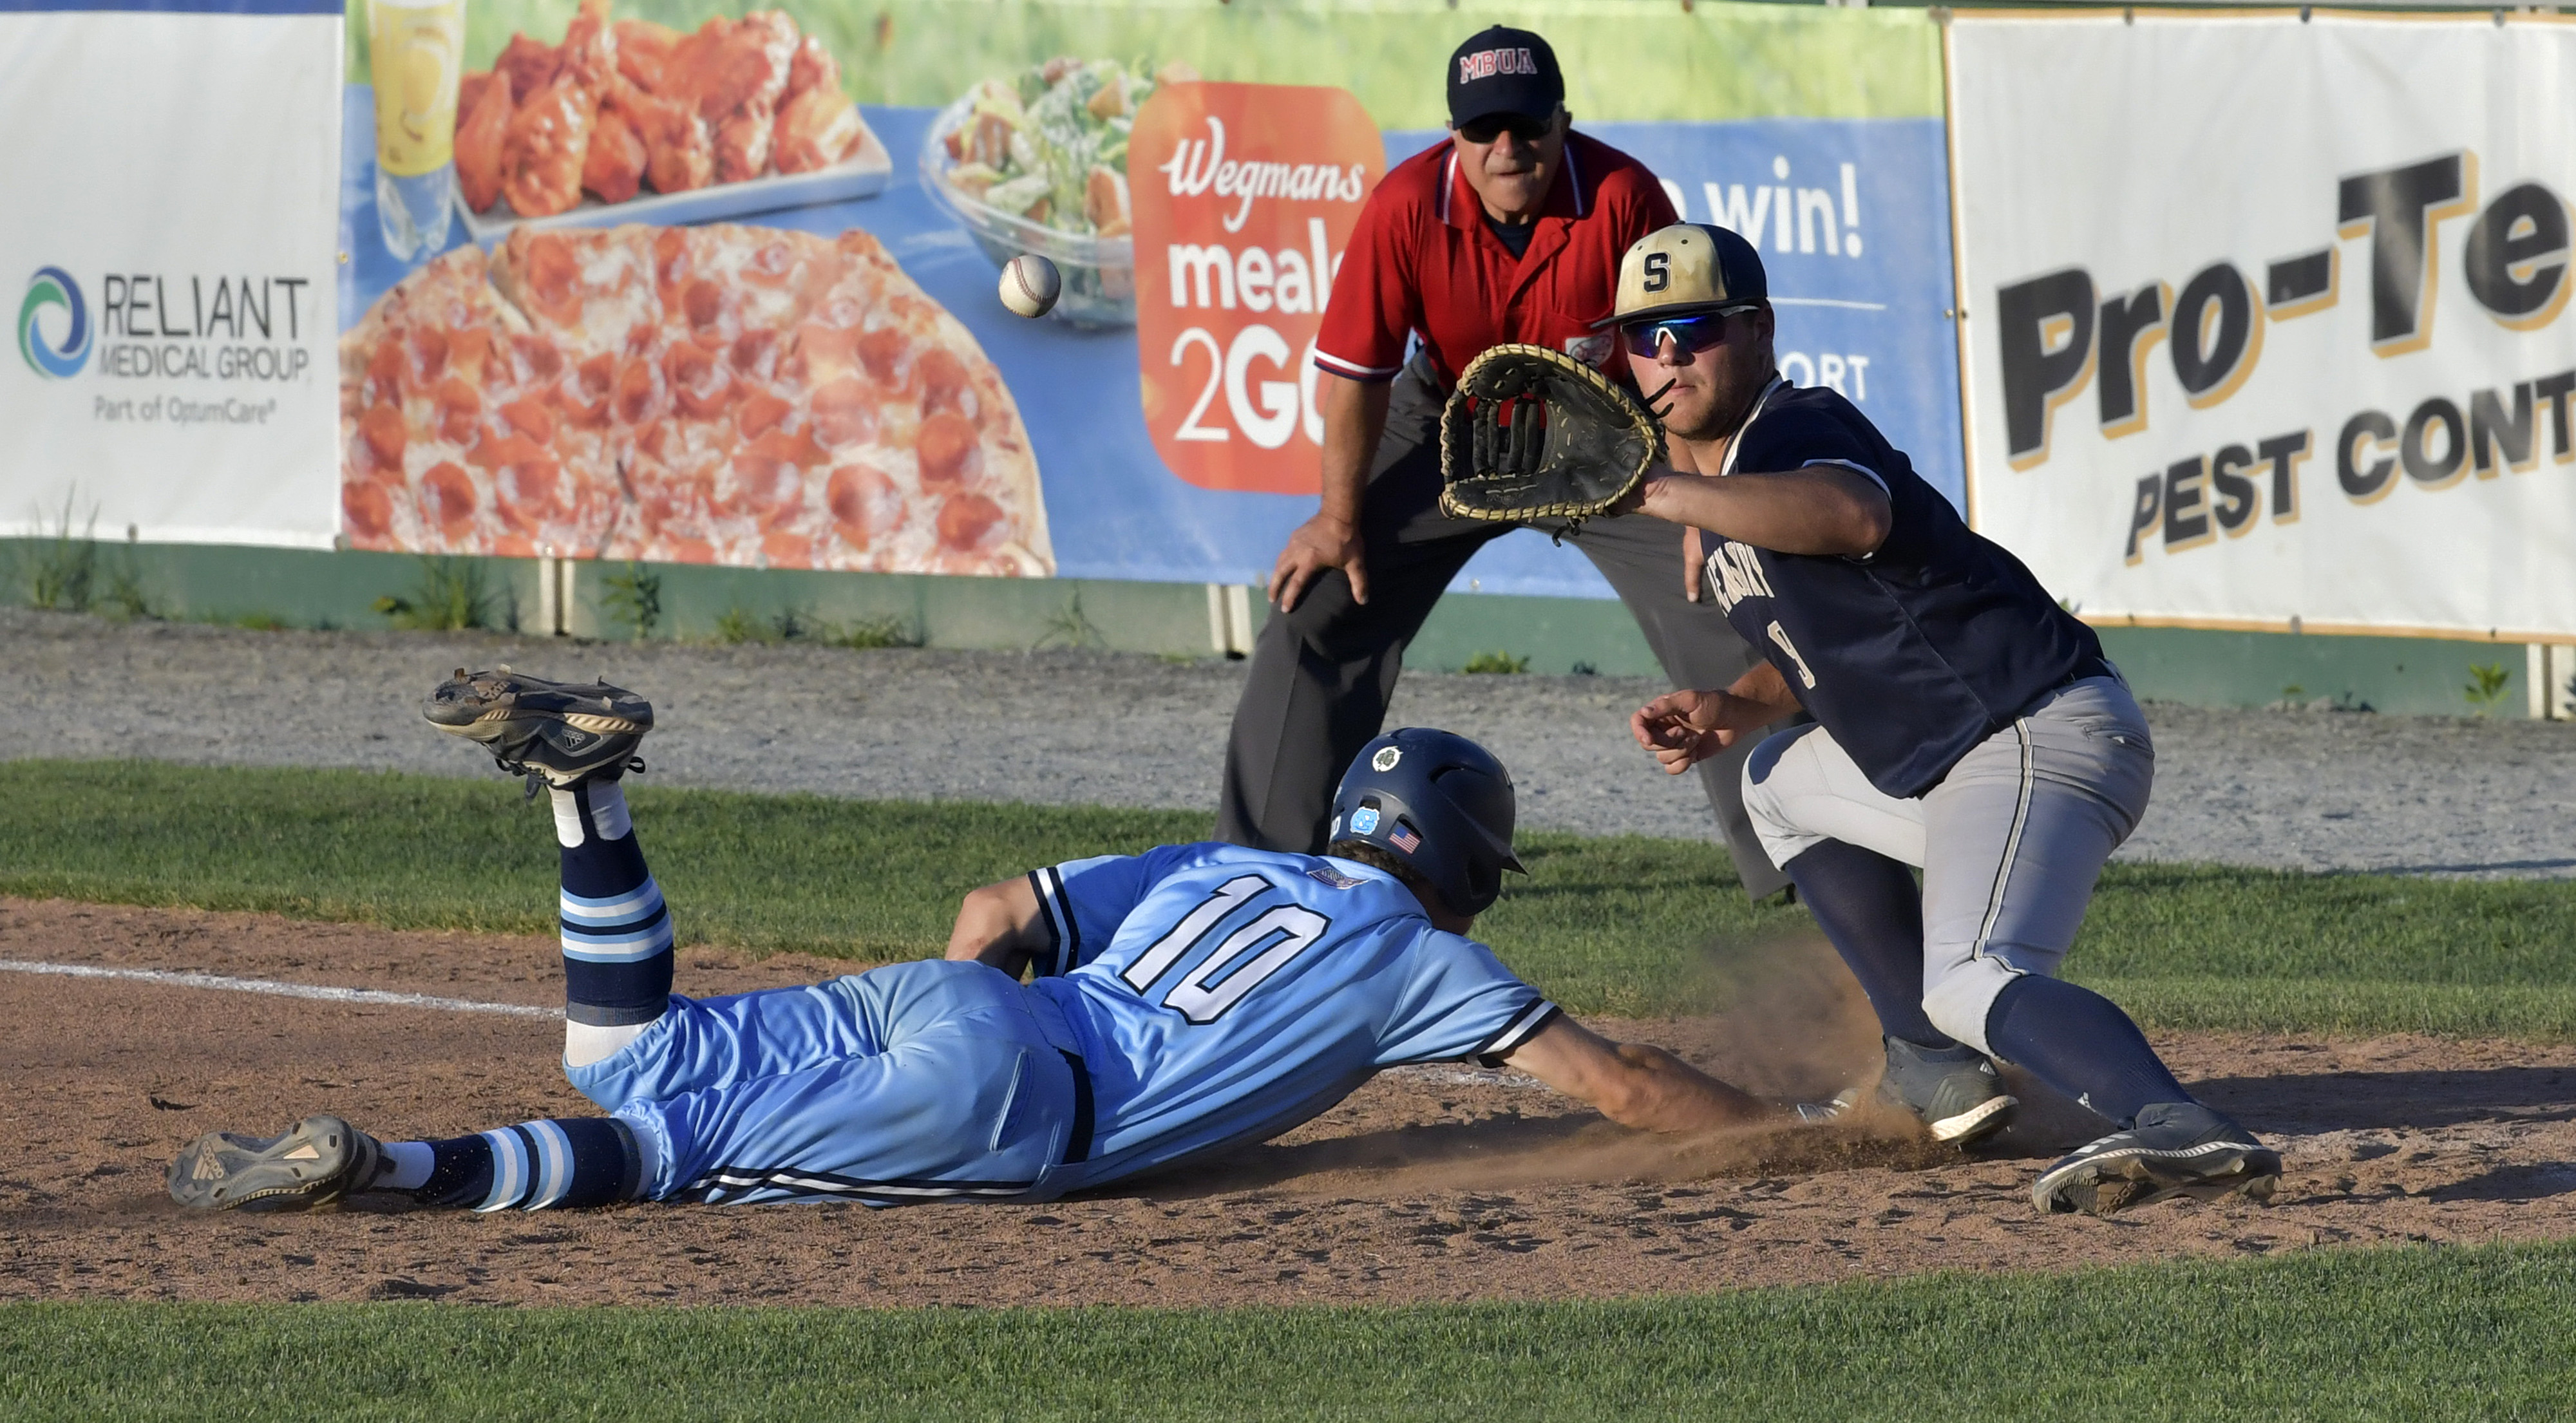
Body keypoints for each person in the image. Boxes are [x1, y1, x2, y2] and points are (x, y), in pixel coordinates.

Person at [167, 670, 1774, 1214]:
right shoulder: (1423, 959)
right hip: (1017, 1101)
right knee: (669, 1151)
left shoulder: (1229, 859)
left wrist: (965, 1024)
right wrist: (1798, 1136)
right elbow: (1621, 1084)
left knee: (617, 1053)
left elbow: (996, 915)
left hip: (952, 996)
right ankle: (383, 1169)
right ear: (1461, 865)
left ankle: (590, 809)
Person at [1607, 224, 2282, 1216]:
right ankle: (1932, 1066)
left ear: (1758, 331)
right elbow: (1830, 639)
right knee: (1777, 784)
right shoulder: (1717, 499)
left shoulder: (1795, 428)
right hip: (1966, 762)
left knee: (1968, 974)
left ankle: (2175, 1121)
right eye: (1644, 334)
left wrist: (1663, 491)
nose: (1667, 354)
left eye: (1695, 327)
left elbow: (1855, 516)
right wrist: (1738, 705)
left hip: (2032, 734)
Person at [1220, 24, 1799, 902]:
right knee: (1323, 602)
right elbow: (1357, 378)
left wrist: (1703, 507)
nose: (1507, 147)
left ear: (1561, 121)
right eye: (1484, 128)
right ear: (1453, 134)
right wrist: (1339, 522)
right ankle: (1254, 874)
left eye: (1526, 125)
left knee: (1725, 589)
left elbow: (1676, 359)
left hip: (1604, 424)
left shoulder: (1622, 196)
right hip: (1453, 416)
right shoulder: (1406, 204)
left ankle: (1802, 868)